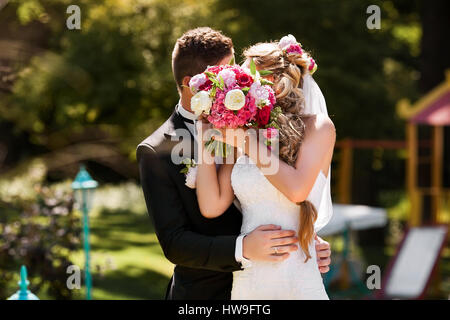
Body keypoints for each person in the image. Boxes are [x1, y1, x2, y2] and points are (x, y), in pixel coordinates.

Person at [137, 28, 331, 300]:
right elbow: (177, 242)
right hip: (209, 293)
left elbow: (291, 192)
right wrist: (243, 248)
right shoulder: (156, 150)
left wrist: (306, 236)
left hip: (288, 272)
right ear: (193, 83)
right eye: (229, 76)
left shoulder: (260, 130)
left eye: (239, 75)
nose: (238, 83)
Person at [195, 37, 335, 299]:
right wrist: (203, 136)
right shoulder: (245, 133)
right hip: (251, 277)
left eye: (248, 80)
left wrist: (246, 142)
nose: (241, 88)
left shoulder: (319, 128)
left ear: (275, 83)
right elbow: (212, 205)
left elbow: (296, 190)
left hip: (296, 274)